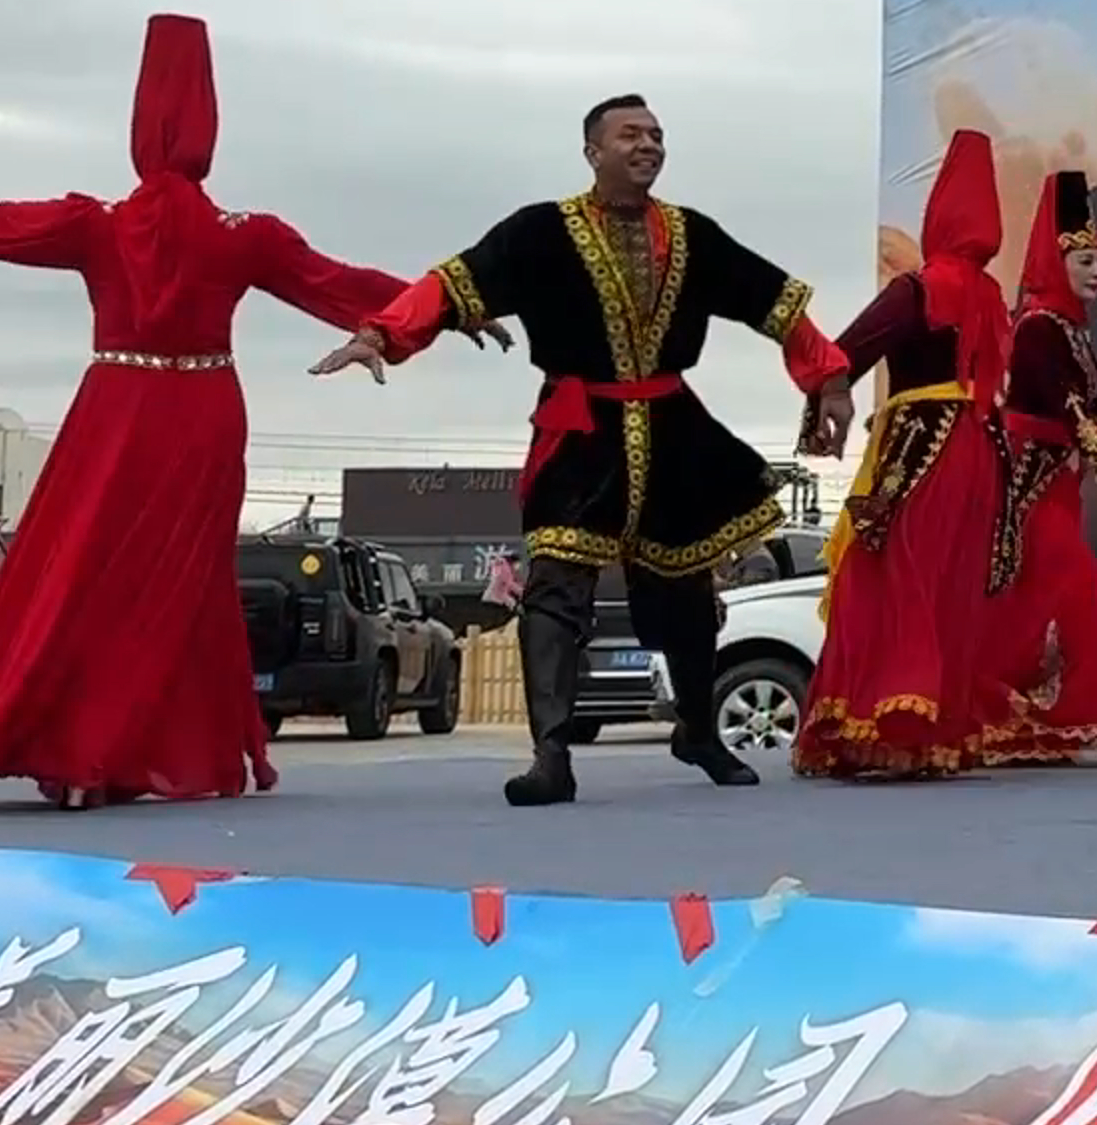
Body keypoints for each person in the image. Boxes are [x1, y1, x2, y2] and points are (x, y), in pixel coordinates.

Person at [0, 14, 455, 806]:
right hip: (204, 411)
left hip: (116, 410)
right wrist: (444, 304)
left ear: (140, 126)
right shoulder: (246, 236)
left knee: (81, 578)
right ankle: (147, 749)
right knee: (181, 588)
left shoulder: (96, 225)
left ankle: (80, 749)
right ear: (209, 126)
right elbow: (336, 281)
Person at [312, 94, 854, 807]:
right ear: (593, 151)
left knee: (687, 592)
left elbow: (775, 301)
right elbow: (451, 284)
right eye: (631, 135)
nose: (648, 145)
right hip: (579, 431)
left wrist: (831, 381)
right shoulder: (539, 232)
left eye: (656, 135)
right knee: (555, 590)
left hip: (672, 428)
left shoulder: (693, 235)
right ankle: (551, 756)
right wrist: (379, 335)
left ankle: (698, 730)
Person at [791, 129, 1020, 781]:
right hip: (979, 450)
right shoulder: (990, 297)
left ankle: (890, 724)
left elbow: (845, 352)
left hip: (921, 444)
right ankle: (940, 732)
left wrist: (818, 408)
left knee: (887, 576)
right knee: (950, 586)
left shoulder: (918, 289)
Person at [982, 171, 1097, 765]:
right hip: (1027, 493)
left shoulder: (1070, 332)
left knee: (1034, 605)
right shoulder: (1037, 329)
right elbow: (1069, 403)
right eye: (1085, 261)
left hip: (1055, 491)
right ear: (1055, 266)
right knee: (1080, 585)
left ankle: (1008, 709)